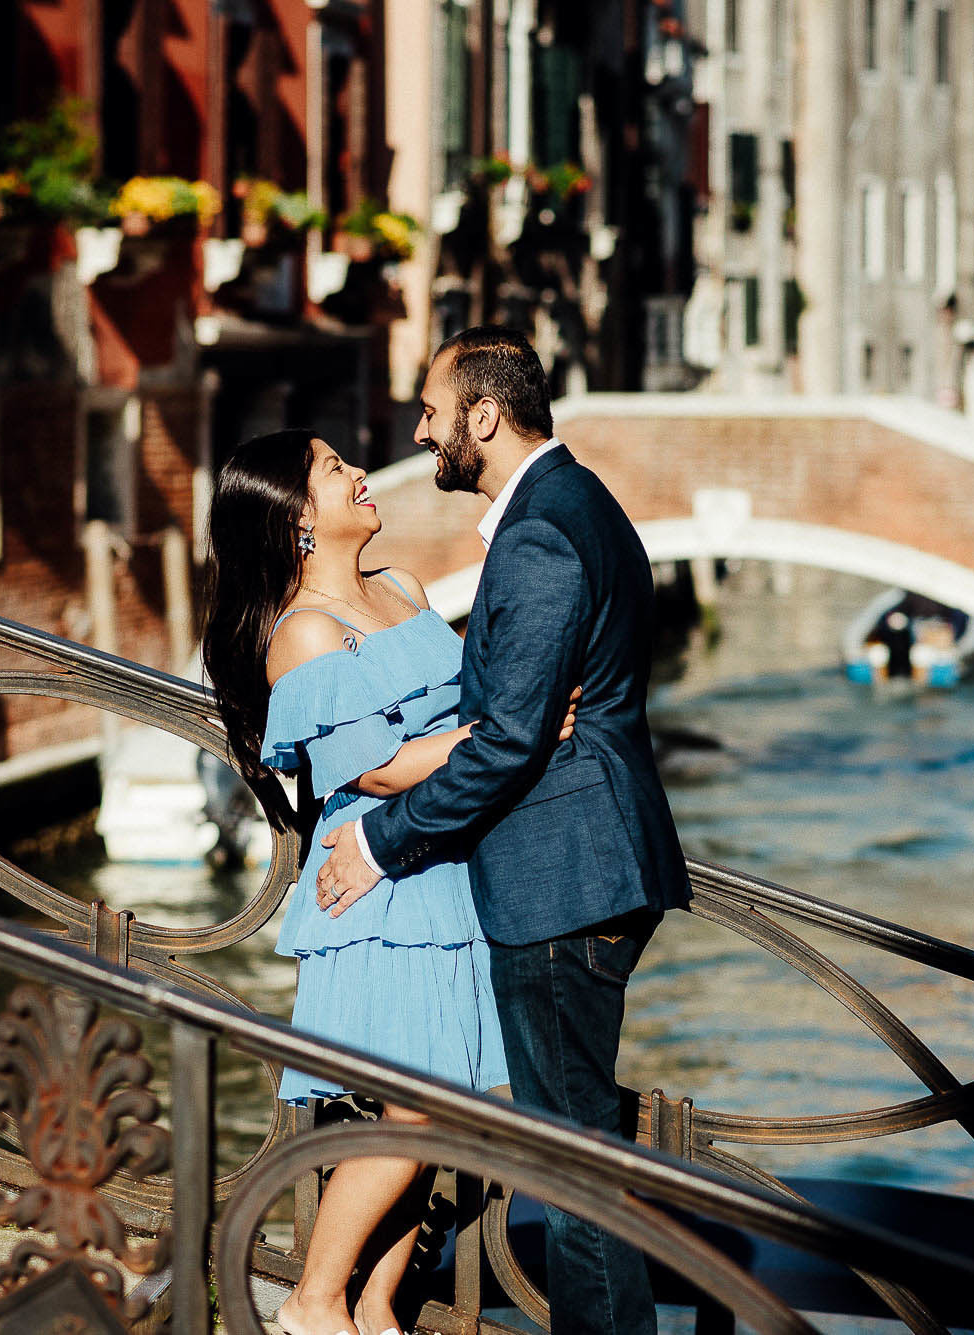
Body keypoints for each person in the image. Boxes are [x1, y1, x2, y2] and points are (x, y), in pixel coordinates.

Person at [313, 326, 692, 1335]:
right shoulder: (577, 505)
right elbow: (517, 724)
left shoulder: (535, 536)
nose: (420, 431)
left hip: (562, 879)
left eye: (432, 412)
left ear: (484, 415)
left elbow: (507, 745)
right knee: (577, 1154)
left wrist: (379, 841)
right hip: (586, 865)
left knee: (572, 1177)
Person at [200, 427, 577, 1335]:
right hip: (379, 884)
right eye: (335, 470)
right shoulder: (303, 634)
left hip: (449, 867)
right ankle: (311, 1301)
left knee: (440, 1107)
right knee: (414, 1105)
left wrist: (506, 720)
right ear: (296, 517)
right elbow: (372, 768)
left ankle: (374, 1307)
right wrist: (508, 738)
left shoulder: (403, 589)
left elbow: (474, 700)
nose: (361, 474)